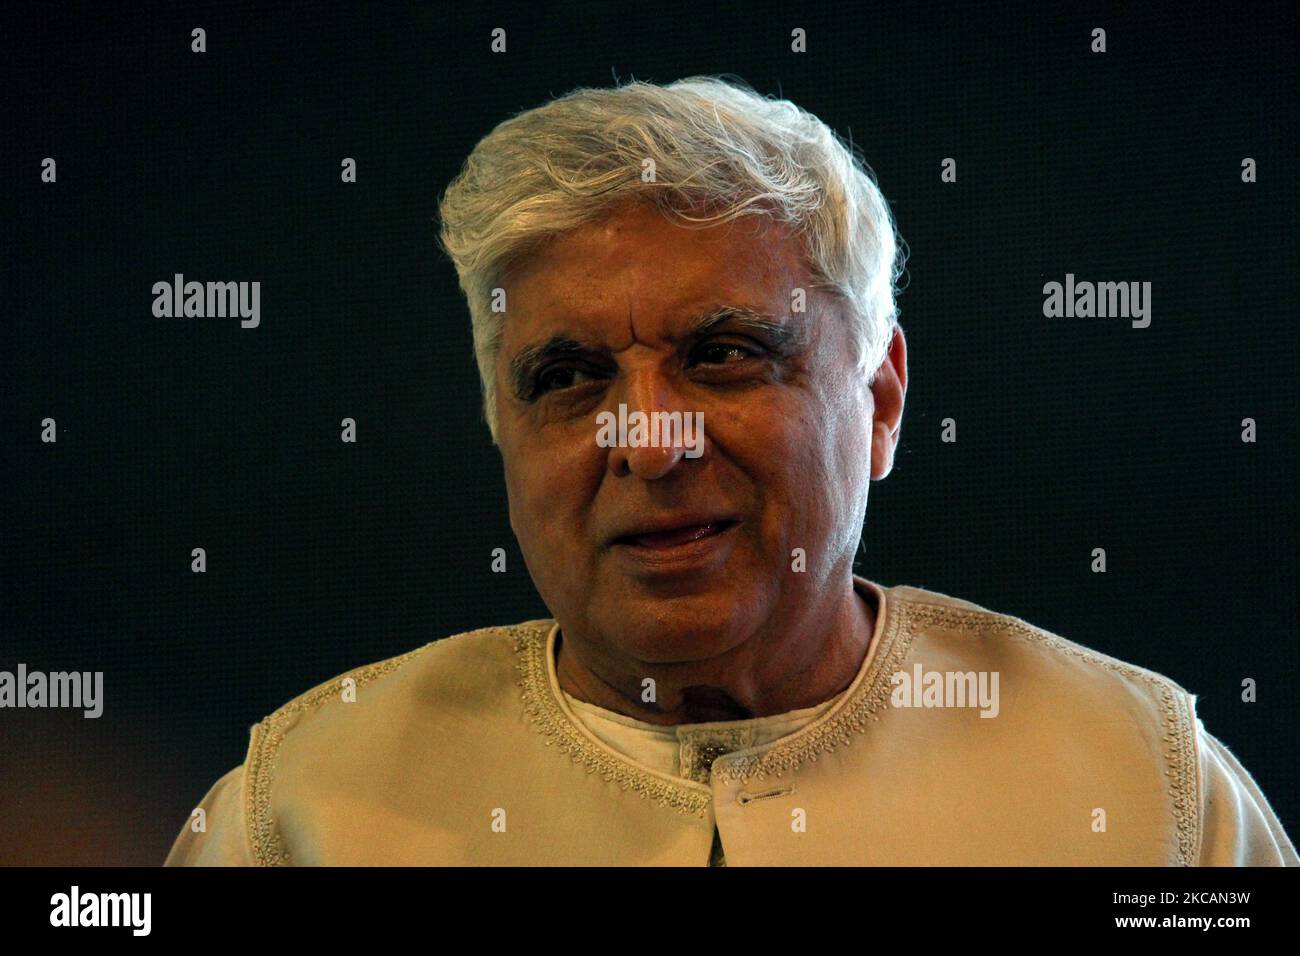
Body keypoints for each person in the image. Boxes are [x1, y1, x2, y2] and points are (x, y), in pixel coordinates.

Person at [166, 76, 1296, 866]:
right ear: (499, 426)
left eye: (724, 354)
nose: (649, 443)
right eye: (567, 375)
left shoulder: (1145, 792)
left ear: (882, 400)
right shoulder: (302, 816)